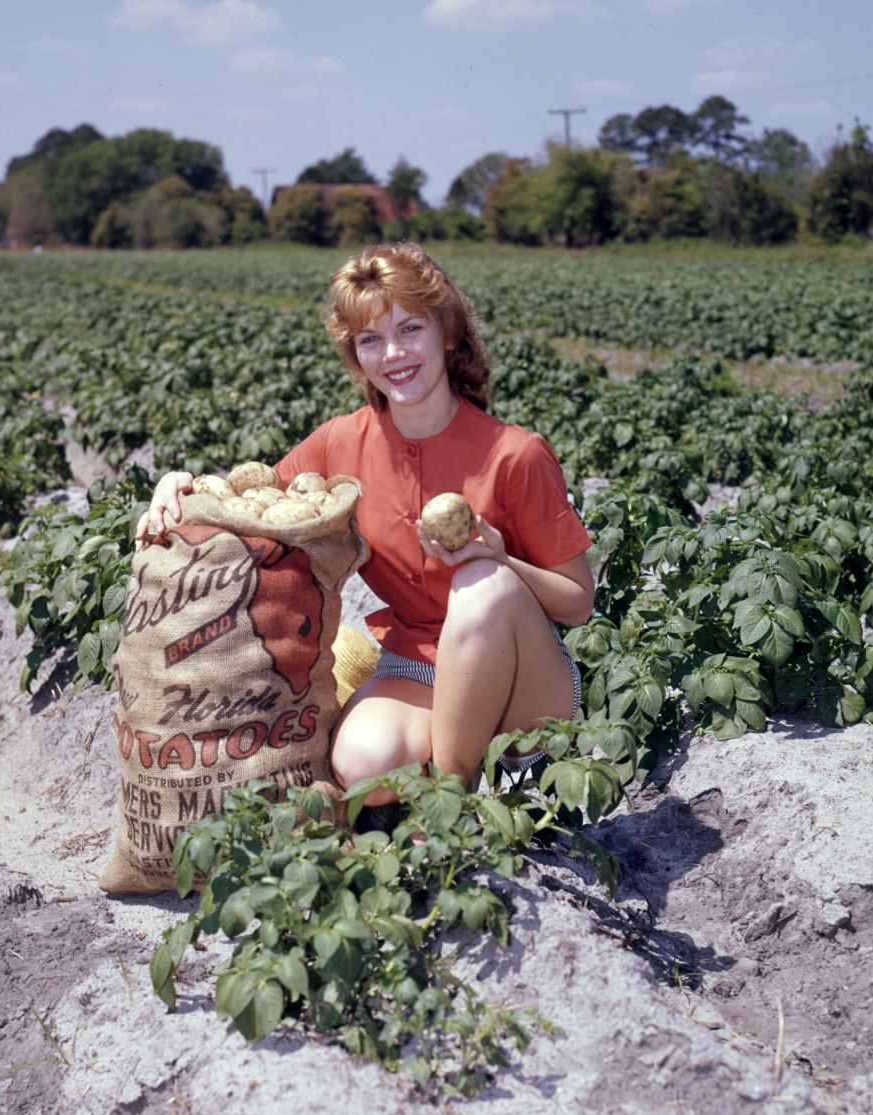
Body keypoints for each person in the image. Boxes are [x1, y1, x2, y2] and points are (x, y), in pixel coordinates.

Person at [136, 242, 594, 813]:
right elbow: (251, 502)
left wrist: (499, 559)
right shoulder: (339, 445)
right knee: (362, 766)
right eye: (370, 339)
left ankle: (447, 807)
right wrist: (178, 484)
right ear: (355, 357)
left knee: (483, 586)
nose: (393, 354)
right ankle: (453, 767)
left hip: (524, 681)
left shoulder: (515, 454)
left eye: (410, 329)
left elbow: (577, 602)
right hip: (415, 667)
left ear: (447, 333)